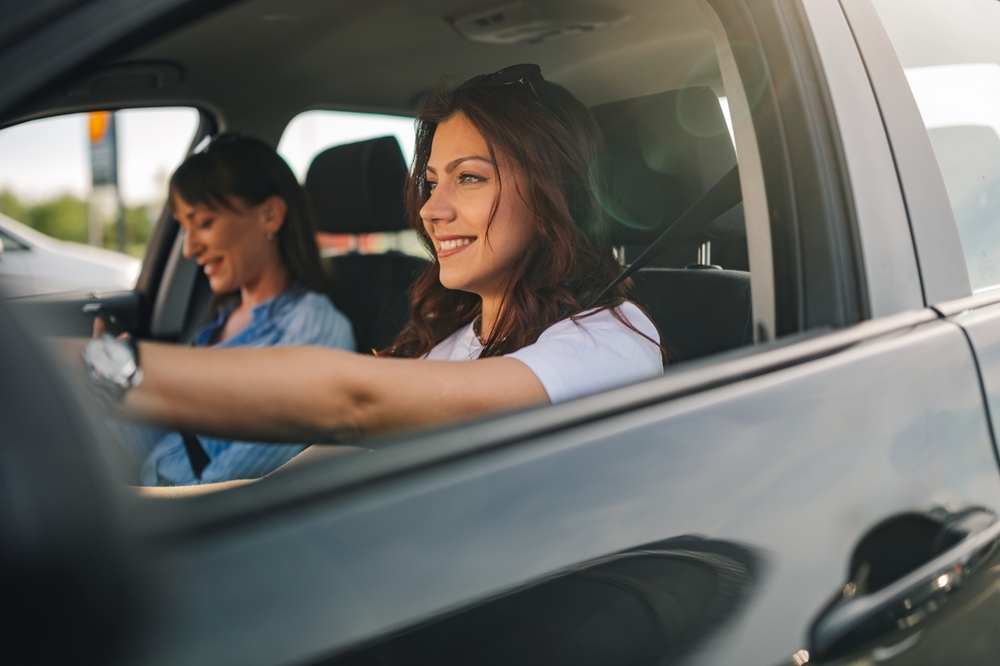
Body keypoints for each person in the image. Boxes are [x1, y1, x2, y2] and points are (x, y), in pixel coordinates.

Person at [84, 64, 664, 450]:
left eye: (468, 178)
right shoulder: (461, 341)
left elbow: (351, 401)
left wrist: (104, 366)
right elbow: (319, 461)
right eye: (431, 182)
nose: (431, 210)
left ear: (551, 191)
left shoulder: (611, 341)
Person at [105, 134, 355, 485]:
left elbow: (226, 488)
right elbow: (154, 440)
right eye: (183, 228)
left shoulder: (314, 328)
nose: (189, 250)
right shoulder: (219, 319)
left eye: (204, 223)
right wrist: (121, 382)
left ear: (269, 216)